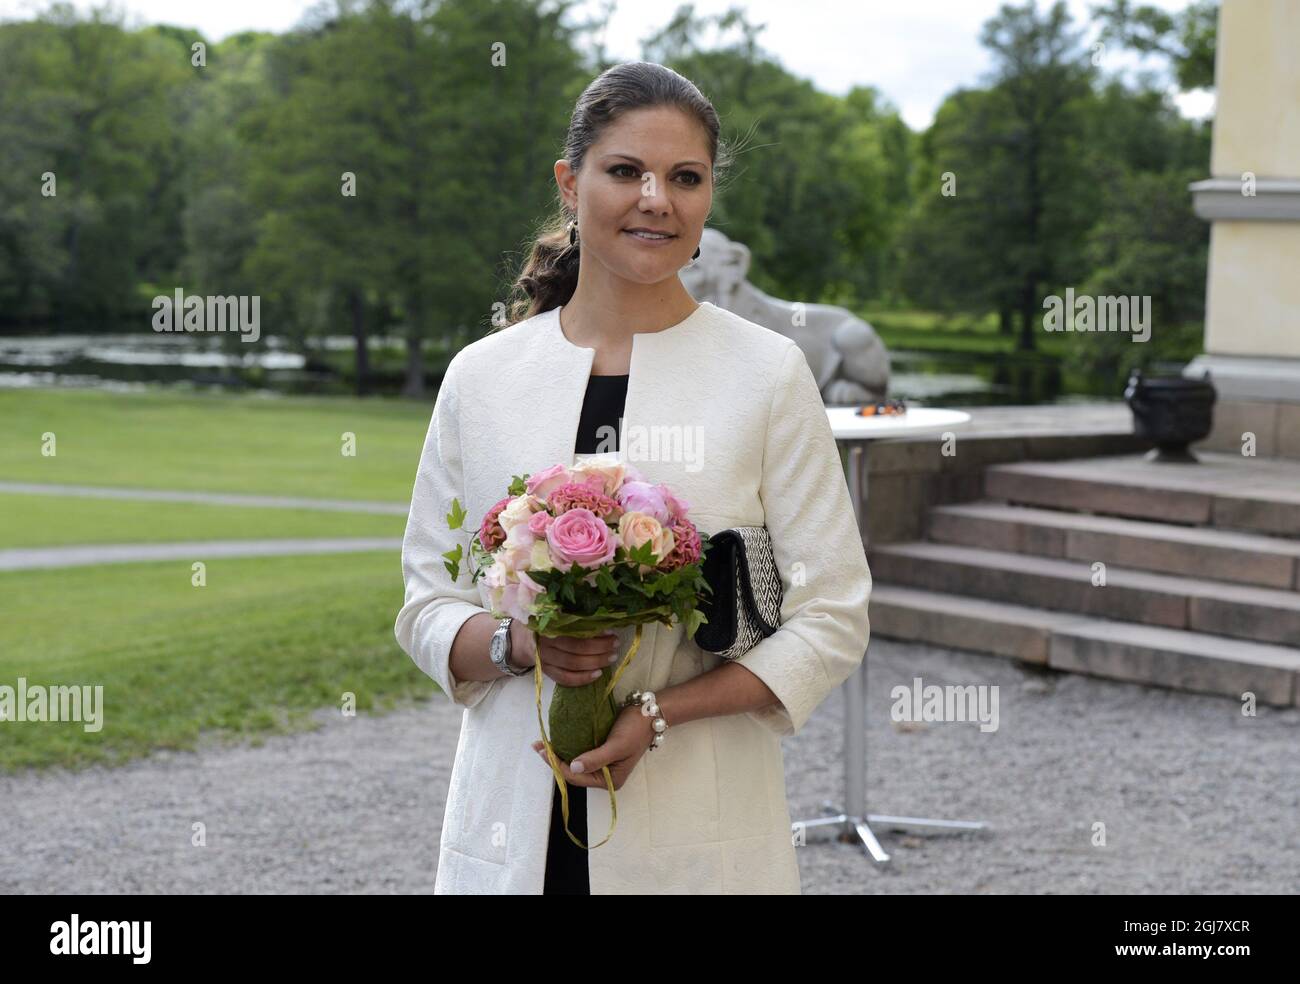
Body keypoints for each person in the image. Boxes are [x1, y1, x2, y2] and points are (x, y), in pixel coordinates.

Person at [395, 60, 872, 894]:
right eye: (626, 171)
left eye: (685, 178)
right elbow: (427, 603)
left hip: (700, 818)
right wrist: (519, 644)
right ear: (569, 181)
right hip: (515, 815)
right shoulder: (483, 377)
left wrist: (657, 715)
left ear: (707, 200)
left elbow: (831, 616)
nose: (657, 198)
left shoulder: (767, 374)